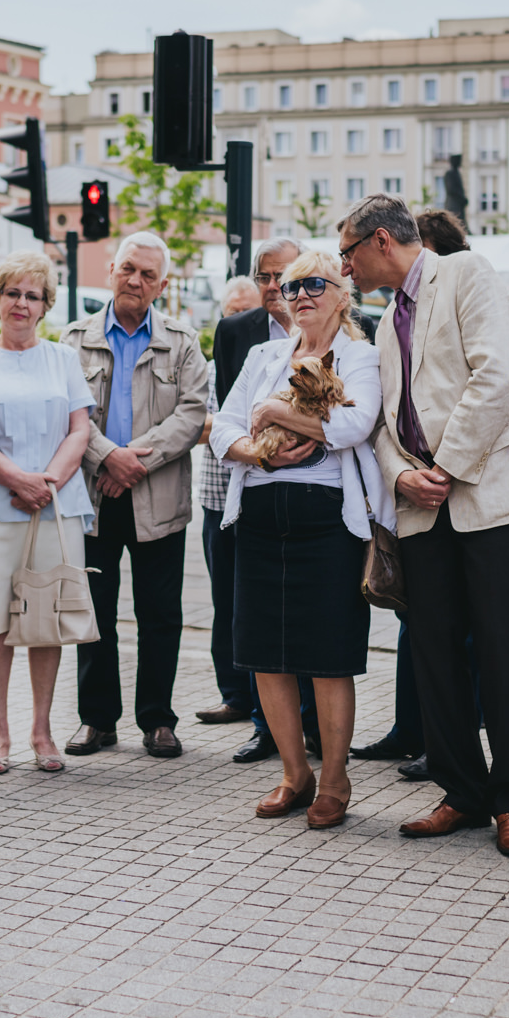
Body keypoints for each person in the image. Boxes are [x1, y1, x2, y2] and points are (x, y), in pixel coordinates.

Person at [340, 193, 509, 859]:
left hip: (488, 499)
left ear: (380, 241)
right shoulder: (382, 322)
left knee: (501, 654)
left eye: (348, 252)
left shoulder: (466, 274)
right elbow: (379, 421)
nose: (345, 267)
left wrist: (445, 465)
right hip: (421, 506)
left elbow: (497, 379)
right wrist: (403, 475)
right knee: (433, 652)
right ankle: (461, 791)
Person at [211, 251, 386, 828]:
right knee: (267, 657)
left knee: (328, 657)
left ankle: (334, 782)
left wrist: (273, 414)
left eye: (315, 283)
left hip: (328, 518)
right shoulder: (265, 354)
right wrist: (251, 449)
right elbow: (223, 427)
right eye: (291, 287)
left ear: (342, 294)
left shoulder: (362, 356)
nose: (301, 294)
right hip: (260, 510)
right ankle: (295, 774)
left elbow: (355, 426)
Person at [60, 231, 212, 759]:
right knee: (94, 612)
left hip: (158, 497)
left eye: (148, 274)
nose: (135, 280)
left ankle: (158, 719)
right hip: (94, 497)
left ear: (162, 285)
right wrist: (107, 457)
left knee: (160, 612)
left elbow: (194, 413)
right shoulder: (72, 339)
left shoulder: (184, 341)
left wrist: (131, 461)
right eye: (128, 268)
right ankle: (97, 720)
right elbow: (64, 412)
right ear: (111, 270)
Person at [0, 253, 95, 775]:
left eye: (32, 295)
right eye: (12, 293)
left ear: (45, 306)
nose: (21, 303)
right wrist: (16, 479)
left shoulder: (62, 359)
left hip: (55, 504)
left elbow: (79, 429)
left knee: (46, 620)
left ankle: (42, 729)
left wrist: (47, 482)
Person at [198, 238, 317, 754]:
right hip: (240, 486)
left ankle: (313, 726)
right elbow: (225, 410)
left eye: (283, 277)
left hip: (313, 497)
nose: (273, 287)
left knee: (309, 616)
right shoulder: (235, 332)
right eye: (264, 277)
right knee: (247, 609)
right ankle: (264, 725)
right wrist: (252, 448)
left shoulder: (326, 330)